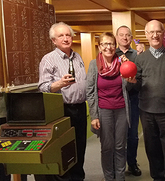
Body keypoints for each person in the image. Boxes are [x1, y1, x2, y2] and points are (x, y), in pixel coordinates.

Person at [127, 20, 165, 181]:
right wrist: (132, 82)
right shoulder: (140, 59)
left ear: (164, 34)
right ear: (146, 35)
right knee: (153, 151)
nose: (155, 35)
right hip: (147, 111)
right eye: (151, 32)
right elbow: (137, 84)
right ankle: (158, 178)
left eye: (158, 32)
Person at [37, 22, 87, 181]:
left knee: (80, 147)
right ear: (54, 40)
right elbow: (42, 87)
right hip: (62, 112)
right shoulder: (49, 59)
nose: (66, 38)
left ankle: (79, 177)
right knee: (64, 150)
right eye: (61, 36)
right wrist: (59, 84)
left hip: (80, 109)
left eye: (68, 35)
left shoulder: (77, 56)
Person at [86, 32, 130, 181]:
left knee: (120, 147)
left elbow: (130, 86)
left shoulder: (122, 63)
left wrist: (128, 68)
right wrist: (94, 116)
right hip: (103, 110)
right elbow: (90, 91)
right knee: (107, 147)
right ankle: (109, 178)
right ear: (100, 47)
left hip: (121, 109)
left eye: (111, 43)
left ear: (115, 46)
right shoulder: (94, 64)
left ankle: (120, 177)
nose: (108, 47)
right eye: (105, 44)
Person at [115, 25, 141, 176]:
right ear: (117, 37)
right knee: (118, 135)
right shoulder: (112, 53)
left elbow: (141, 78)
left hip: (133, 98)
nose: (125, 37)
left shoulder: (137, 55)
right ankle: (118, 166)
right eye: (122, 35)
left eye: (128, 35)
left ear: (131, 38)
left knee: (132, 135)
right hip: (117, 98)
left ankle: (132, 163)